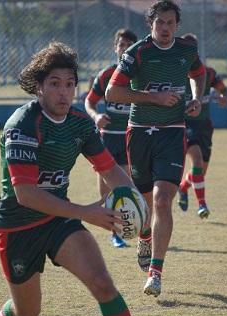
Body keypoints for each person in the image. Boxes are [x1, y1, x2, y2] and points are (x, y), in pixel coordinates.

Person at [0, 42, 138, 316]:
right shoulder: (22, 125)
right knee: (27, 314)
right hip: (18, 226)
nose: (64, 92)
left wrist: (137, 204)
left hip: (58, 221)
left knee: (103, 284)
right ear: (39, 87)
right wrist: (86, 212)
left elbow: (109, 169)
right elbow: (26, 194)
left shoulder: (80, 123)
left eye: (70, 84)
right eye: (55, 84)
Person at [106, 0, 206, 297]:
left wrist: (197, 97)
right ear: (151, 24)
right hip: (139, 135)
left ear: (177, 25)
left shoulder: (187, 51)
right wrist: (152, 98)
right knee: (146, 204)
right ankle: (144, 236)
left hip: (172, 133)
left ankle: (156, 273)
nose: (165, 28)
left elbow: (199, 73)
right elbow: (113, 91)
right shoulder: (137, 52)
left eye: (170, 23)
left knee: (163, 201)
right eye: (159, 23)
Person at [85, 28, 138, 248]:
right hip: (106, 139)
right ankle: (114, 233)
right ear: (115, 47)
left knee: (125, 187)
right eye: (121, 45)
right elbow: (89, 102)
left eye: (129, 45)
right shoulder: (106, 75)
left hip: (129, 137)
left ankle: (129, 228)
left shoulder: (139, 75)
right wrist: (96, 115)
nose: (124, 49)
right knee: (105, 191)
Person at [177, 33, 227, 219]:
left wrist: (225, 97)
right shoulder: (175, 74)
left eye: (191, 48)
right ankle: (202, 205)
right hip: (184, 125)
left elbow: (224, 89)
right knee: (197, 160)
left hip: (205, 126)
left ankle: (183, 188)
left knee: (200, 171)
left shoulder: (209, 73)